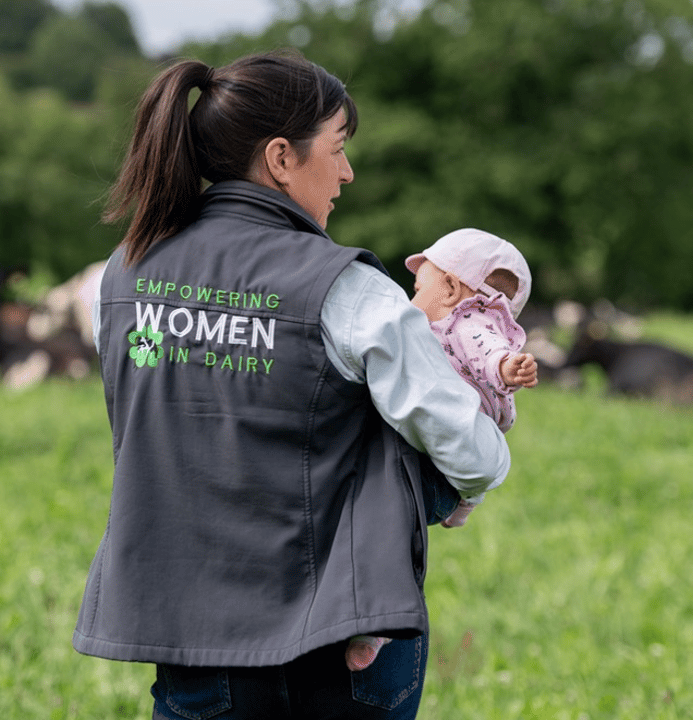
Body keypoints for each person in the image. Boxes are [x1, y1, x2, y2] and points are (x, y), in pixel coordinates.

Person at [72, 50, 511, 720]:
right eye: (337, 149)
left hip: (188, 640)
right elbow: (475, 455)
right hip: (335, 645)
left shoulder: (122, 276)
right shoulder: (351, 292)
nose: (347, 171)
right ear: (281, 158)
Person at [344, 228, 538, 672]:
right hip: (463, 441)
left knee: (388, 521)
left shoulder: (468, 323)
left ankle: (376, 626)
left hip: (447, 442)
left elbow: (490, 351)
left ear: (450, 288)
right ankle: (467, 501)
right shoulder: (464, 322)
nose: (413, 298)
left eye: (419, 287)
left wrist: (507, 367)